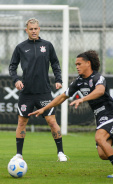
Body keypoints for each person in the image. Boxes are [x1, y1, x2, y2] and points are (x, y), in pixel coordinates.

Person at [29, 50, 113, 178]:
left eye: (79, 64)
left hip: (110, 114)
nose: (76, 66)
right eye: (76, 64)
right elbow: (62, 97)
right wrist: (45, 108)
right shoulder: (78, 81)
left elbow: (99, 91)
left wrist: (83, 98)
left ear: (88, 63)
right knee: (103, 154)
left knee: (99, 138)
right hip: (100, 117)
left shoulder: (97, 78)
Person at [8, 18, 68, 161]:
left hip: (44, 92)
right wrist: (16, 80)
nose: (33, 31)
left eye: (36, 29)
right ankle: (18, 154)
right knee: (22, 122)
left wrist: (58, 80)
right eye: (31, 29)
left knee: (52, 121)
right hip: (26, 93)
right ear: (26, 30)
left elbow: (55, 63)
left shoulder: (47, 45)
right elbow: (12, 67)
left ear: (39, 29)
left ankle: (61, 153)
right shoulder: (20, 47)